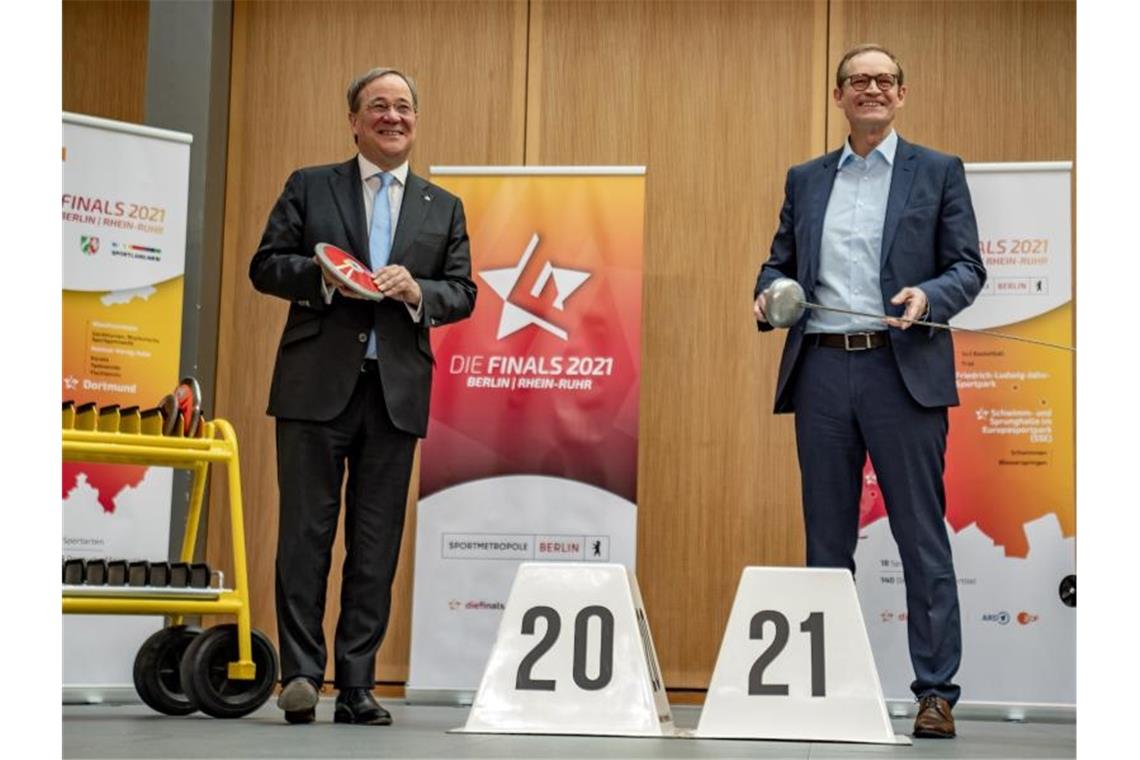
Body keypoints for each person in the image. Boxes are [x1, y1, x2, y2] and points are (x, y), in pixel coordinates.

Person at [752, 44, 985, 738]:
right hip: (822, 369)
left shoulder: (937, 172)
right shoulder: (806, 179)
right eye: (859, 81)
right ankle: (831, 687)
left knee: (920, 535)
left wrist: (929, 293)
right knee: (826, 539)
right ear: (839, 96)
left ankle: (936, 692)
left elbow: (968, 266)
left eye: (884, 81)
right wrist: (769, 295)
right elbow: (779, 262)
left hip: (901, 370)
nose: (872, 90)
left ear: (901, 94)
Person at [249, 67, 477, 725]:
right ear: (354, 119)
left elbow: (462, 291)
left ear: (415, 120)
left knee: (375, 545)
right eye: (378, 106)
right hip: (312, 390)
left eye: (403, 106)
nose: (393, 116)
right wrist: (325, 280)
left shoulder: (444, 207)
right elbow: (267, 265)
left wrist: (419, 293)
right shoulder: (309, 185)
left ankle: (356, 686)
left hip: (395, 395)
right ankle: (299, 676)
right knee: (305, 536)